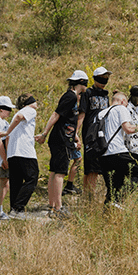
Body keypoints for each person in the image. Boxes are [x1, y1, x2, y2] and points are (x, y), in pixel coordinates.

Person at [36, 70, 89, 218]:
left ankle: (52, 205)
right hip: (61, 139)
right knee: (60, 172)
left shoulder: (71, 96)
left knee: (54, 171)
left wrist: (75, 138)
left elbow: (66, 121)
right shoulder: (70, 96)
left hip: (62, 138)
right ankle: (58, 207)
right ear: (82, 83)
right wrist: (44, 133)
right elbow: (56, 114)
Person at [100, 91, 138, 208]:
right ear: (123, 101)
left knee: (112, 187)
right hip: (118, 152)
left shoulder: (101, 113)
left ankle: (109, 213)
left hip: (103, 155)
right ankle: (119, 199)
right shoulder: (121, 109)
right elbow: (128, 129)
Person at [0, 93, 39, 218]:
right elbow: (19, 118)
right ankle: (18, 207)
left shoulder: (16, 116)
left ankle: (14, 210)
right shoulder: (30, 110)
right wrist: (7, 132)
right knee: (32, 178)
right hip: (25, 152)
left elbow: (15, 131)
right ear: (29, 103)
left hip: (13, 153)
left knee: (16, 181)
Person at [78, 67, 112, 202]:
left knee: (94, 167)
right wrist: (76, 132)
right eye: (101, 79)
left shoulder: (105, 95)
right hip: (91, 134)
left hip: (101, 133)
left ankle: (87, 196)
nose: (104, 82)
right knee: (92, 168)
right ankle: (90, 197)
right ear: (94, 78)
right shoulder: (88, 94)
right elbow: (82, 113)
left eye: (106, 79)